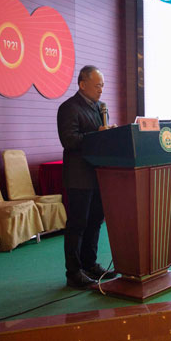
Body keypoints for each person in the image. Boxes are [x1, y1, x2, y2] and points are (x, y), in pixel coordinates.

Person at [57, 65, 118, 288]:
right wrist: (97, 135)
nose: (101, 90)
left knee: (95, 221)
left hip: (99, 175)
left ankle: (89, 264)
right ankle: (73, 272)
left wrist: (112, 135)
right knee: (78, 224)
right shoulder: (69, 108)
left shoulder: (101, 108)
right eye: (97, 85)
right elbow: (69, 140)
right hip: (79, 176)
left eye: (102, 85)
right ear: (82, 85)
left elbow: (100, 139)